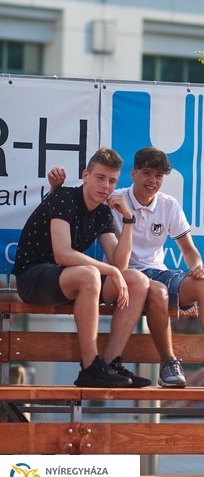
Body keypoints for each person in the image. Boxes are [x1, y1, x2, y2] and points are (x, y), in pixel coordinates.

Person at [51, 146, 204, 389]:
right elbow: (78, 204)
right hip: (126, 277)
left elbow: (188, 249)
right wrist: (55, 188)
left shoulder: (169, 204)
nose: (153, 181)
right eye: (147, 173)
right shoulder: (113, 199)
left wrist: (197, 265)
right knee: (156, 291)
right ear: (133, 173)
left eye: (159, 176)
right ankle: (168, 362)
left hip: (158, 272)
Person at [13, 147, 151, 388]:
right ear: (85, 175)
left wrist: (128, 220)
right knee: (90, 275)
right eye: (100, 178)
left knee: (137, 281)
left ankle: (109, 364)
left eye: (112, 181)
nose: (106, 186)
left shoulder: (102, 213)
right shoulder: (64, 197)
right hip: (33, 277)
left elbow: (120, 264)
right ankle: (89, 368)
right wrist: (111, 271)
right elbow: (63, 254)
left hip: (67, 281)